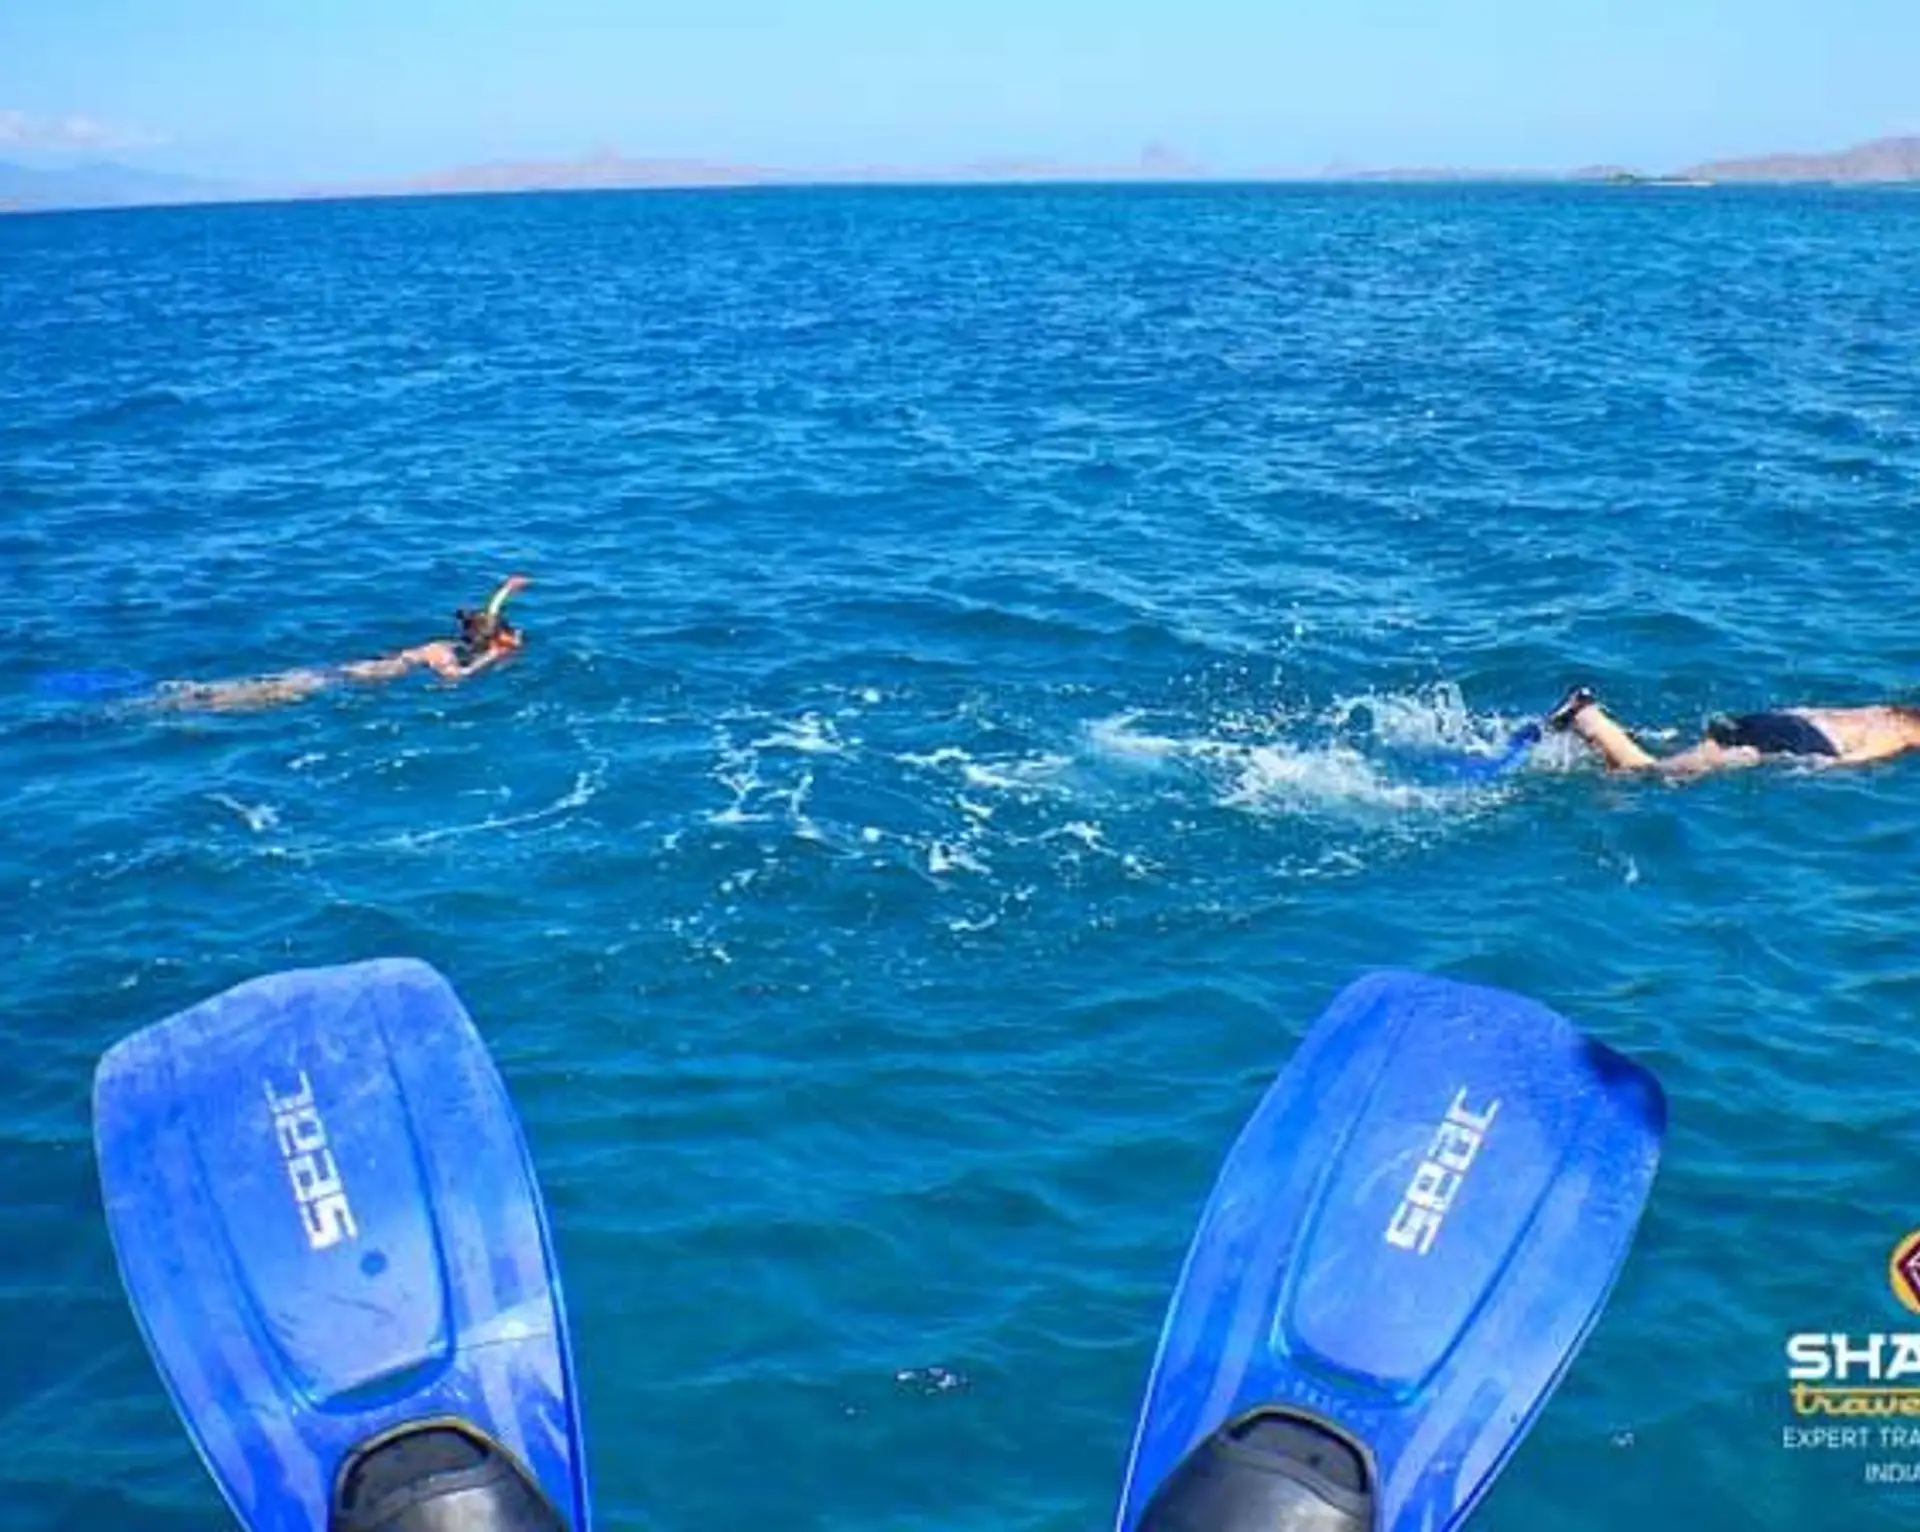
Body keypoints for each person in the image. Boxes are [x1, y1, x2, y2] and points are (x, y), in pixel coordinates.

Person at [153, 576, 529, 712]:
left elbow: (487, 620)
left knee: (262, 690)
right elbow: (454, 678)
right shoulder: (442, 652)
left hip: (350, 672)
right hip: (347, 678)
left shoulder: (450, 642)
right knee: (257, 698)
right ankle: (179, 701)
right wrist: (493, 657)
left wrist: (504, 591)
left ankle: (184, 698)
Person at [1545, 684, 1920, 775]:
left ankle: (1595, 740)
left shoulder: (1883, 710)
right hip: (1793, 739)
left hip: (1774, 721)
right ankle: (1586, 716)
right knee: (1652, 774)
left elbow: (1806, 712)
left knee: (1669, 761)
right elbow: (1853, 761)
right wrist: (1805, 770)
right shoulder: (1904, 731)